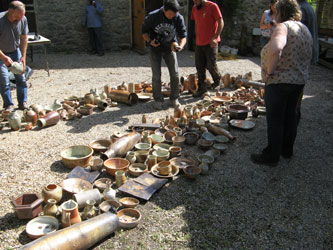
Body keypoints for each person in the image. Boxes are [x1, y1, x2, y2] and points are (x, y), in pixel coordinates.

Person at [251, 0, 313, 166]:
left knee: (275, 119)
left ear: (280, 12)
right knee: (290, 115)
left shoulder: (283, 27)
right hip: (298, 81)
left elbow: (277, 48)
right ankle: (287, 150)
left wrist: (270, 72)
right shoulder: (304, 28)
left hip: (280, 81)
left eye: (276, 12)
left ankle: (271, 156)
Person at [142, 0, 187, 110]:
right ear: (164, 10)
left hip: (170, 48)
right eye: (170, 14)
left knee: (175, 74)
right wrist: (150, 41)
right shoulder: (153, 16)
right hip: (155, 49)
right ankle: (158, 100)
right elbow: (144, 32)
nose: (172, 17)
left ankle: (174, 98)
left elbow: (183, 36)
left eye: (174, 15)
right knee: (157, 75)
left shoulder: (178, 17)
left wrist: (180, 46)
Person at [191, 0, 224, 98]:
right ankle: (202, 89)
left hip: (211, 42)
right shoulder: (194, 8)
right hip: (199, 43)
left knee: (211, 65)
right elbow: (196, 22)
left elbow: (220, 21)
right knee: (199, 67)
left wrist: (215, 37)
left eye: (196, 0)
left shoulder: (213, 6)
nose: (194, 2)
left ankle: (217, 80)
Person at [0, 1, 29, 112]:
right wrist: (4, 57)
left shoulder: (23, 19)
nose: (19, 20)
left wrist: (23, 56)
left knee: (21, 77)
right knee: (4, 80)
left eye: (21, 17)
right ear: (9, 11)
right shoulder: (0, 20)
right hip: (1, 53)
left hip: (15, 51)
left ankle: (23, 102)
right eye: (16, 17)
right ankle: (8, 105)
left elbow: (23, 38)